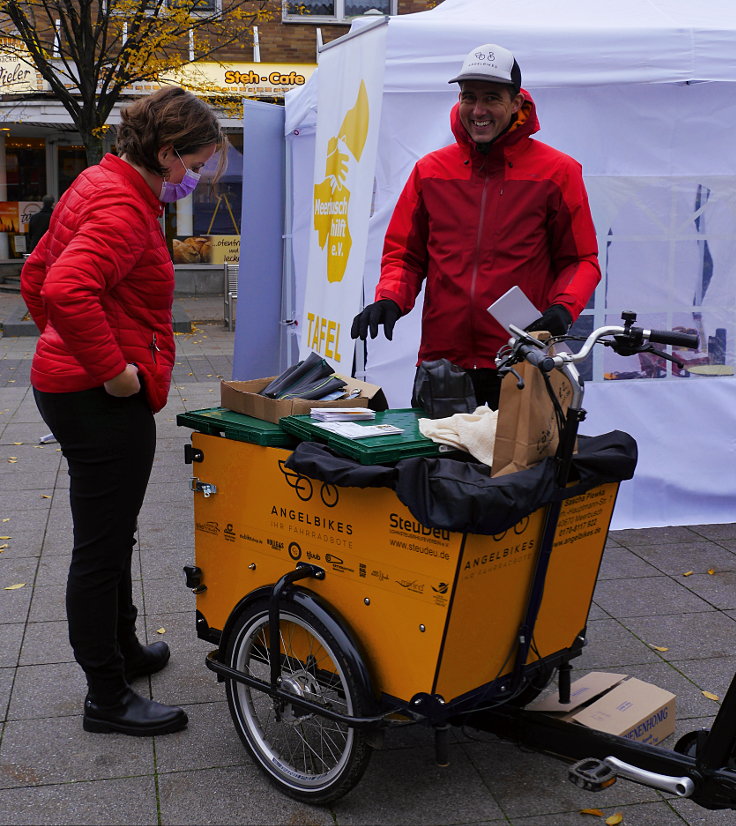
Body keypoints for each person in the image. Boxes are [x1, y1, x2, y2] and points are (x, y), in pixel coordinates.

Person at [20, 86, 226, 736]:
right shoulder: (119, 204)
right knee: (102, 547)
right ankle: (106, 696)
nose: (192, 177)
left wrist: (63, 345)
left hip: (70, 387)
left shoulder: (98, 183)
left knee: (113, 532)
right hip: (99, 398)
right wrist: (109, 372)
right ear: (167, 153)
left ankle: (125, 652)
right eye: (192, 163)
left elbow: (34, 273)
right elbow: (63, 286)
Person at [351, 44, 600, 409]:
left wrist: (563, 309)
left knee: (517, 468)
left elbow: (581, 259)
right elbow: (404, 255)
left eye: (491, 98)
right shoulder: (430, 171)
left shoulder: (557, 172)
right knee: (435, 466)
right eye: (469, 97)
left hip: (521, 361)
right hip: (443, 365)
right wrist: (390, 297)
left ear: (516, 103)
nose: (478, 110)